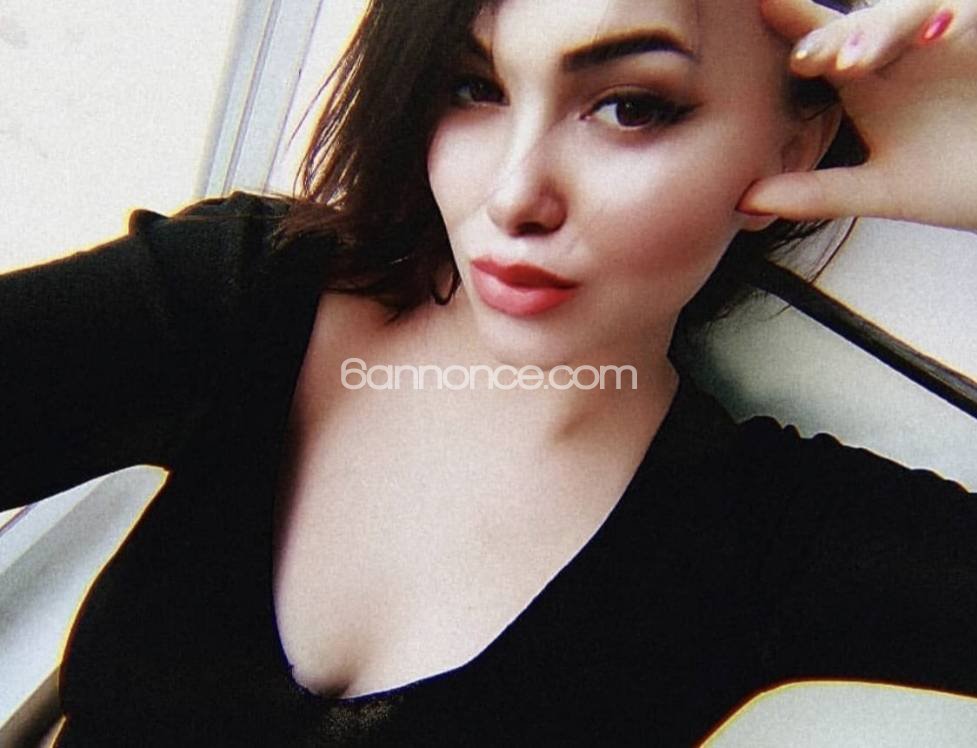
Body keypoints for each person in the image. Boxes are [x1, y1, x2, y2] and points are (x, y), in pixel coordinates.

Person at [3, 0, 977, 744]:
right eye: (474, 88)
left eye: (629, 107)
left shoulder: (764, 538)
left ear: (795, 142)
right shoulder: (242, 294)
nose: (512, 196)